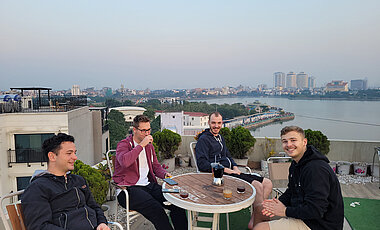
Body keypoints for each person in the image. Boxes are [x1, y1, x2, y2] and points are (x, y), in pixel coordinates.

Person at [252, 126, 344, 230]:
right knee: (260, 209)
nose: (289, 145)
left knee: (260, 228)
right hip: (301, 212)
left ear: (304, 142)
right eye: (285, 141)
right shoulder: (296, 163)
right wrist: (278, 203)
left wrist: (285, 211)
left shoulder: (315, 169)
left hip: (318, 224)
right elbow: (292, 190)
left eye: (293, 140)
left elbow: (316, 210)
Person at [195, 112, 273, 228]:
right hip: (220, 176)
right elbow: (202, 164)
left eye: (219, 123)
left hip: (232, 172)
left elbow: (228, 156)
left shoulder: (220, 137)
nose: (216, 126)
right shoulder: (204, 140)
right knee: (257, 185)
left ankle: (254, 219)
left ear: (222, 123)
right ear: (209, 123)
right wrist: (227, 170)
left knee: (268, 183)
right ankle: (259, 224)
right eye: (213, 123)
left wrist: (235, 167)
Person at [22, 133, 110, 230]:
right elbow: (39, 226)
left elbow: (95, 207)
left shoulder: (78, 180)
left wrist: (102, 223)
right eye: (69, 153)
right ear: (52, 156)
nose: (75, 157)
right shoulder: (38, 188)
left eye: (74, 153)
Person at [114, 115, 187, 230]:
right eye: (143, 130)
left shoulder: (149, 146)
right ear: (134, 130)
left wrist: (164, 174)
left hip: (147, 186)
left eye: (148, 130)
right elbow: (125, 162)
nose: (147, 133)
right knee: (157, 209)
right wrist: (141, 145)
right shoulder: (124, 145)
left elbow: (155, 166)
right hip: (128, 189)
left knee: (177, 203)